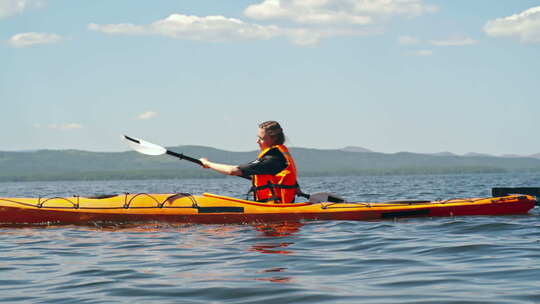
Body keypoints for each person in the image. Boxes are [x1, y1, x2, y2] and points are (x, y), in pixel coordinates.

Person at [199, 121, 299, 204]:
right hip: (277, 209)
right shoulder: (280, 156)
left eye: (261, 138)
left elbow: (232, 171)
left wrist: (208, 164)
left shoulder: (272, 159)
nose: (257, 141)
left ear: (274, 139)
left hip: (276, 214)